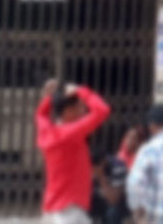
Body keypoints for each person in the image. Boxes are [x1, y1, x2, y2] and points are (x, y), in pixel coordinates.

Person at [36, 80, 111, 224]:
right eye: (80, 106)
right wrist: (81, 90)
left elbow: (40, 115)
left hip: (55, 207)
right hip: (69, 209)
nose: (84, 111)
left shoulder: (47, 132)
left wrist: (49, 98)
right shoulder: (70, 133)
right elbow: (103, 110)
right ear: (68, 111)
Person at [89, 149, 131, 224]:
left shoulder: (117, 167)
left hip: (119, 203)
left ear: (104, 162)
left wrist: (101, 176)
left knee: (112, 212)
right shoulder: (88, 166)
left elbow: (113, 200)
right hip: (100, 200)